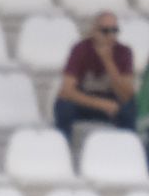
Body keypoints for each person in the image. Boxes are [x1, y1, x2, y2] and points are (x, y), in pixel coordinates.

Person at [55, 11, 136, 143]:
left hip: (112, 103)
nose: (110, 35)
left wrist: (108, 61)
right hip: (85, 101)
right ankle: (62, 146)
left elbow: (127, 95)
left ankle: (129, 147)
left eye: (115, 30)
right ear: (94, 31)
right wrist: (101, 104)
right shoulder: (80, 49)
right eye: (105, 31)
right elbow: (67, 90)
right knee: (63, 105)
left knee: (129, 107)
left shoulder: (124, 51)